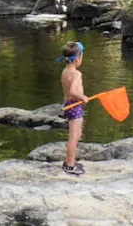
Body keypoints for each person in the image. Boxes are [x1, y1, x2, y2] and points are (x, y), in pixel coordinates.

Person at [58, 41, 89, 175]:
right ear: (77, 58)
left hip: (68, 105)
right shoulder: (76, 74)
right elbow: (73, 92)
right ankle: (70, 165)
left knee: (76, 134)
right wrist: (83, 97)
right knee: (74, 136)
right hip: (75, 106)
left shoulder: (65, 71)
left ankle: (69, 160)